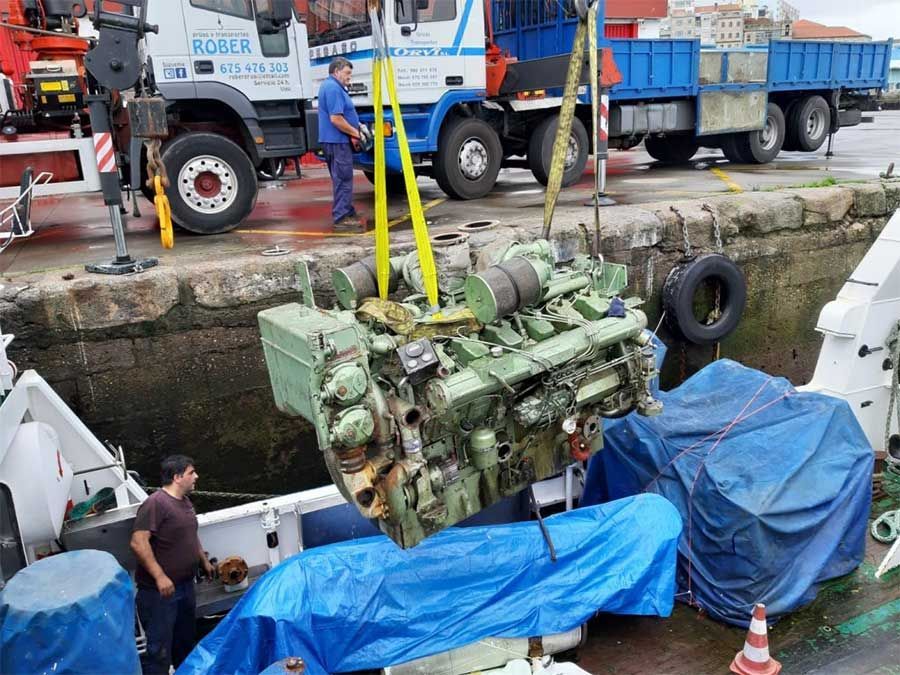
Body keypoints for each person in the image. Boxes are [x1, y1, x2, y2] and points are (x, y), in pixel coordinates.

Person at [130, 455, 215, 674]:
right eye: (191, 472)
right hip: (160, 595)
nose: (196, 476)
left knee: (185, 644)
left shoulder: (185, 502)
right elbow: (138, 542)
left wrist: (204, 561)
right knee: (158, 651)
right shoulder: (156, 503)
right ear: (177, 477)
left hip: (186, 587)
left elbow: (190, 535)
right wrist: (160, 577)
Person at [318, 56, 365, 227]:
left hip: (333, 141)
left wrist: (356, 124)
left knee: (341, 177)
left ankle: (347, 209)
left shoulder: (331, 86)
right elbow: (336, 119)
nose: (349, 77)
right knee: (344, 178)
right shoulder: (333, 89)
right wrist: (356, 133)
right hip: (337, 142)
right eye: (347, 73)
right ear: (336, 72)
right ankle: (342, 216)